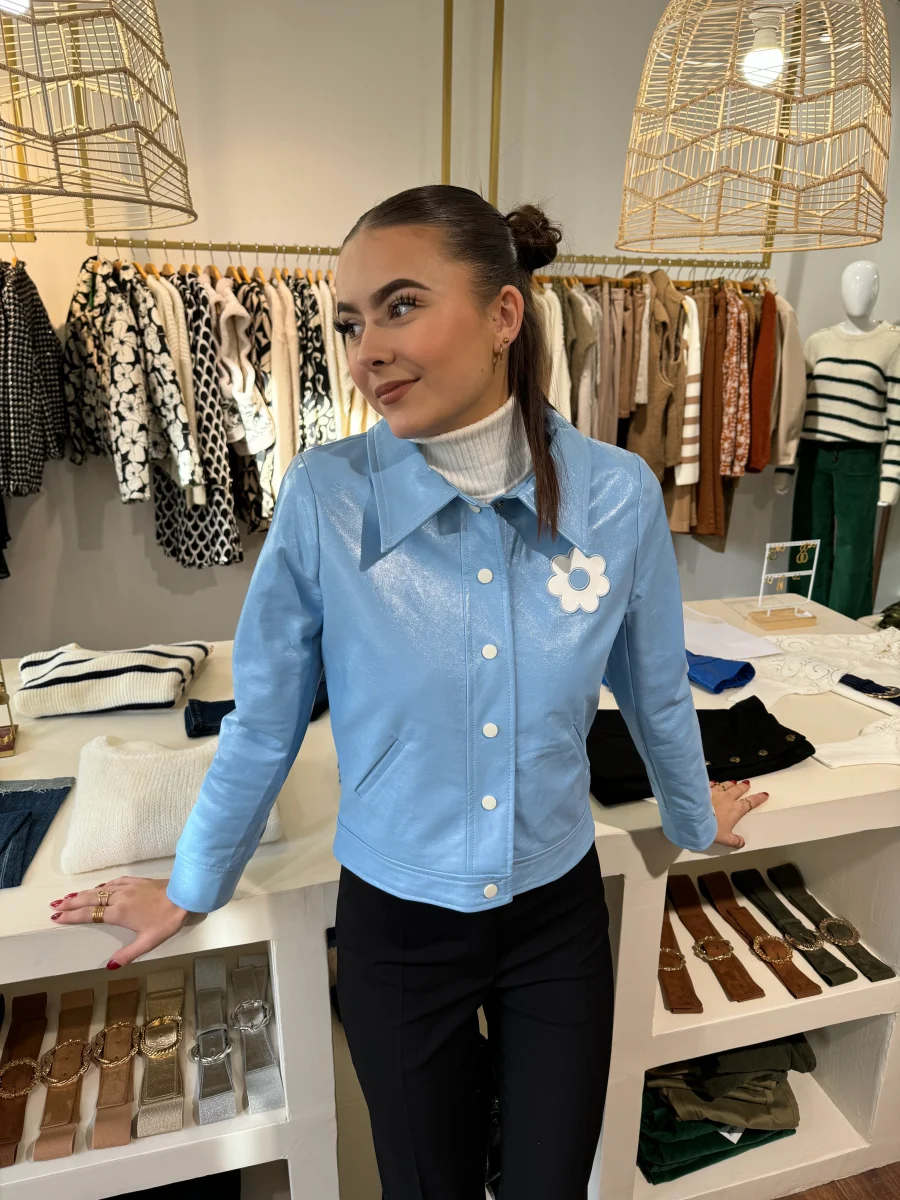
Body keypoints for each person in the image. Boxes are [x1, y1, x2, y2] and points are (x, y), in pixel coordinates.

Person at [49, 185, 767, 1199]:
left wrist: (696, 818)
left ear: (505, 314)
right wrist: (192, 882)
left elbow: (654, 693)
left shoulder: (616, 495)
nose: (366, 351)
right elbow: (265, 719)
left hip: (555, 917)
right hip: (396, 926)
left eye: (400, 306)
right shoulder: (325, 497)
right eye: (351, 323)